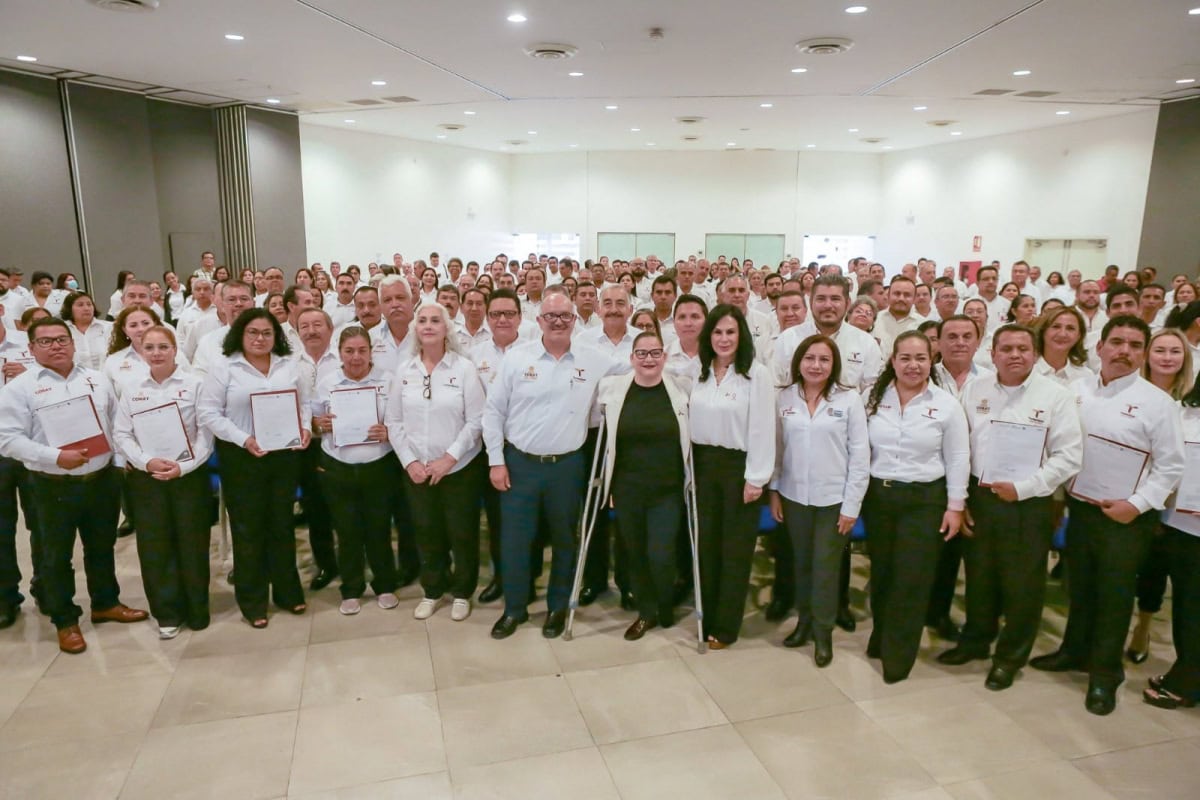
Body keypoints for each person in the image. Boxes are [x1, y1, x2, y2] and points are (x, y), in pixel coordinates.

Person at [1030, 316, 1184, 715]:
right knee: (1079, 586)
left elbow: (1170, 465)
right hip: (1081, 507)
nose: (1124, 351)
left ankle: (1105, 673)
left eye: (1134, 345)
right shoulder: (1077, 390)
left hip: (1126, 517)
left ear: (1143, 354)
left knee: (1113, 596)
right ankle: (1074, 651)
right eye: (1117, 342)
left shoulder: (1158, 403)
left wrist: (1137, 505)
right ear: (1099, 347)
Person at [936, 325, 1082, 690]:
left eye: (1022, 349)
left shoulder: (1056, 396)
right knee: (979, 576)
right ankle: (975, 640)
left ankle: (1010, 657)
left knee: (1023, 585)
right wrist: (961, 499)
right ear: (993, 354)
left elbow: (1068, 456)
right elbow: (961, 447)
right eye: (1006, 349)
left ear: (1035, 354)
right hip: (981, 497)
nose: (1015, 355)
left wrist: (1024, 489)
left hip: (1028, 503)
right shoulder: (976, 389)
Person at [0, 318, 149, 653]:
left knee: (101, 546)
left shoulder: (96, 379)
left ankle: (106, 603)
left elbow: (115, 423)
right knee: (56, 556)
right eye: (46, 341)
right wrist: (55, 457)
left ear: (72, 343)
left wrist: (118, 463)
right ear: (31, 348)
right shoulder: (19, 389)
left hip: (101, 479)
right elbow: (7, 440)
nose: (56, 346)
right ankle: (65, 619)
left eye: (61, 339)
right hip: (51, 484)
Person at [482, 290, 617, 639]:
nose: (558, 322)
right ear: (539, 320)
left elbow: (636, 372)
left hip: (567, 467)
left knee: (564, 540)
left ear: (574, 320)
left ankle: (558, 606)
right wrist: (496, 461)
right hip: (519, 464)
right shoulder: (517, 358)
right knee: (515, 540)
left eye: (565, 316)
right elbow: (493, 412)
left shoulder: (595, 360)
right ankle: (514, 609)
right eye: (551, 316)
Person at [863, 331, 968, 682]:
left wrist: (955, 506)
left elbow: (958, 457)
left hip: (924, 500)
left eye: (920, 358)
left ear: (931, 361)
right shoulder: (872, 398)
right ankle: (881, 636)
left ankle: (899, 655)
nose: (913, 365)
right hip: (879, 497)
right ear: (892, 361)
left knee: (911, 578)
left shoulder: (946, 404)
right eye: (905, 358)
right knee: (882, 573)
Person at [197, 308, 312, 628]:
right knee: (248, 530)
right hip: (242, 456)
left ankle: (288, 592)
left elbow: (303, 403)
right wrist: (243, 438)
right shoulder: (224, 366)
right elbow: (208, 413)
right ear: (240, 335)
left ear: (276, 336)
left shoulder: (288, 364)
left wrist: (304, 428)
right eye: (253, 332)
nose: (260, 338)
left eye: (266, 333)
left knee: (282, 524)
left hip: (283, 455)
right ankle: (252, 601)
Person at [769, 335, 869, 666]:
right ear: (799, 361)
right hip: (794, 496)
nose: (816, 365)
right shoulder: (784, 397)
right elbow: (777, 449)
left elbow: (860, 456)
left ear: (834, 364)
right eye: (809, 358)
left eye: (824, 359)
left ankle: (823, 632)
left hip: (833, 500)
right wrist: (774, 490)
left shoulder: (849, 399)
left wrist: (851, 506)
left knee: (825, 567)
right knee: (801, 562)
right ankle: (804, 622)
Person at [112, 326, 213, 639]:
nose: (156, 353)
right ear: (141, 351)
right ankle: (167, 613)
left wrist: (185, 466)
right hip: (148, 479)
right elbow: (122, 434)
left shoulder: (195, 384)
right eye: (150, 347)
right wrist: (146, 462)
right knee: (155, 546)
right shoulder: (132, 388)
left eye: (163, 347)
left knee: (193, 543)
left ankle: (197, 609)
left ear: (175, 350)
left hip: (189, 477)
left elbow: (206, 433)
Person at [387, 303, 485, 621]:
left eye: (435, 321)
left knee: (462, 532)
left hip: (459, 469)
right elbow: (393, 421)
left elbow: (476, 420)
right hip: (417, 469)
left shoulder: (464, 368)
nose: (428, 325)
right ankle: (432, 589)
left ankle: (462, 592)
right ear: (415, 329)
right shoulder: (404, 370)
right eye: (422, 321)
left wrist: (449, 458)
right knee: (426, 531)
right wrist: (409, 462)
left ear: (446, 328)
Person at [596, 332, 691, 640]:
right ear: (631, 358)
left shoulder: (680, 389)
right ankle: (647, 611)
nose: (648, 359)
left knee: (661, 553)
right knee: (635, 552)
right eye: (642, 353)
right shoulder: (613, 390)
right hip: (628, 489)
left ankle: (665, 602)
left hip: (667, 490)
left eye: (655, 353)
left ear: (664, 357)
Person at [690, 305, 774, 649]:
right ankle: (706, 616)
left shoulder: (756, 374)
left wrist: (756, 478)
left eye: (731, 332)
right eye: (717, 332)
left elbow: (764, 428)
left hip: (739, 469)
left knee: (734, 550)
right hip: (703, 465)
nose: (724, 339)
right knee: (707, 545)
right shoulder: (699, 372)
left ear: (742, 336)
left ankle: (725, 625)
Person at [313, 327, 400, 615]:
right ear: (339, 353)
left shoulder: (388, 380)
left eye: (362, 350)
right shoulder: (327, 382)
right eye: (349, 351)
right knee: (346, 530)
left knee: (379, 528)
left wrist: (388, 431)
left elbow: (401, 420)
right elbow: (312, 419)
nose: (356, 357)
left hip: (379, 465)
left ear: (371, 352)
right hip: (338, 467)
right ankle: (351, 588)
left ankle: (385, 584)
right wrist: (318, 424)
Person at [1124, 329, 1193, 663]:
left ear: (1185, 358)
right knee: (1140, 568)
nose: (1167, 358)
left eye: (1175, 352)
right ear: (1147, 355)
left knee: (1164, 570)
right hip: (1132, 495)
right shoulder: (1131, 393)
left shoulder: (1192, 401)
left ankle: (1145, 625)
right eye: (1160, 350)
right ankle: (1132, 626)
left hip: (1181, 507)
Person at [1143, 377, 1200, 709]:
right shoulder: (1182, 414)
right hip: (1179, 525)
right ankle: (1186, 671)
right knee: (1186, 605)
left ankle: (1186, 683)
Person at [0, 322, 40, 629]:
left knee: (42, 523)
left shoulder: (30, 342)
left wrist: (27, 376)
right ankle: (5, 597)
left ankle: (47, 587)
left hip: (33, 446)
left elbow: (57, 380)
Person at [1035, 306, 1094, 385]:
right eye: (1056, 327)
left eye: (1070, 328)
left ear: (1079, 336)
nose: (1062, 334)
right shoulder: (1026, 371)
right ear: (1043, 331)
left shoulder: (1086, 376)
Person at [61, 291, 112, 372]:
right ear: (69, 309)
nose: (86, 308)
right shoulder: (61, 330)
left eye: (89, 304)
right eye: (80, 305)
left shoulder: (109, 327)